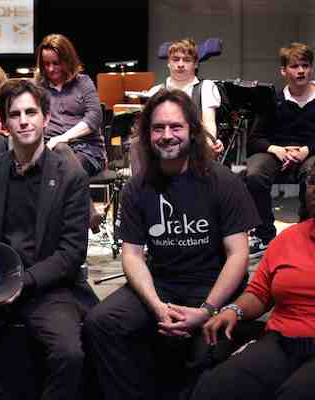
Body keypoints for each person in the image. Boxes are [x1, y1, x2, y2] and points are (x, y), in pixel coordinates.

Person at [83, 89, 260, 400]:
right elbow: (133, 256)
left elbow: (238, 256)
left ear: (192, 131)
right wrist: (156, 306)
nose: (167, 135)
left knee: (207, 351)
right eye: (158, 128)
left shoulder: (223, 182)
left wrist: (206, 311)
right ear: (148, 133)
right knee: (100, 323)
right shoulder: (138, 187)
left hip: (211, 287)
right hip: (162, 284)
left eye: (176, 127)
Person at [0, 78, 91, 400]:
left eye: (31, 112)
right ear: (6, 123)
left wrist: (23, 283)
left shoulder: (71, 175)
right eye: (15, 114)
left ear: (46, 118)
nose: (24, 120)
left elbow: (72, 253)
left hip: (46, 286)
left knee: (70, 355)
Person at [192, 166, 315, 400]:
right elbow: (260, 293)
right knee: (213, 388)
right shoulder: (288, 238)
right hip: (282, 341)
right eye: (313, 181)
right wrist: (233, 310)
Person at [245, 42, 315, 258]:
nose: (301, 70)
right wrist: (276, 149)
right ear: (284, 71)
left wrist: (305, 150)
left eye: (305, 65)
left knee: (313, 176)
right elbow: (254, 139)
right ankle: (265, 234)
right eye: (294, 66)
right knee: (254, 174)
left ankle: (307, 233)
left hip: (310, 152)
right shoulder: (272, 99)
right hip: (276, 152)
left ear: (311, 68)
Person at [35, 33, 106, 232]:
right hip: (49, 151)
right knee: (59, 157)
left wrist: (63, 137)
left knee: (64, 166)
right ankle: (89, 215)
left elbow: (94, 117)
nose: (50, 69)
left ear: (68, 60)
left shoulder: (83, 82)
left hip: (88, 151)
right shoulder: (38, 88)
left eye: (56, 63)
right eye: (46, 64)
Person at [147, 38, 224, 154]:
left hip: (195, 151)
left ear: (196, 64)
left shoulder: (206, 87)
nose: (181, 64)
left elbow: (209, 124)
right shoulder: (155, 91)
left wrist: (209, 146)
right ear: (169, 63)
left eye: (187, 60)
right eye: (175, 60)